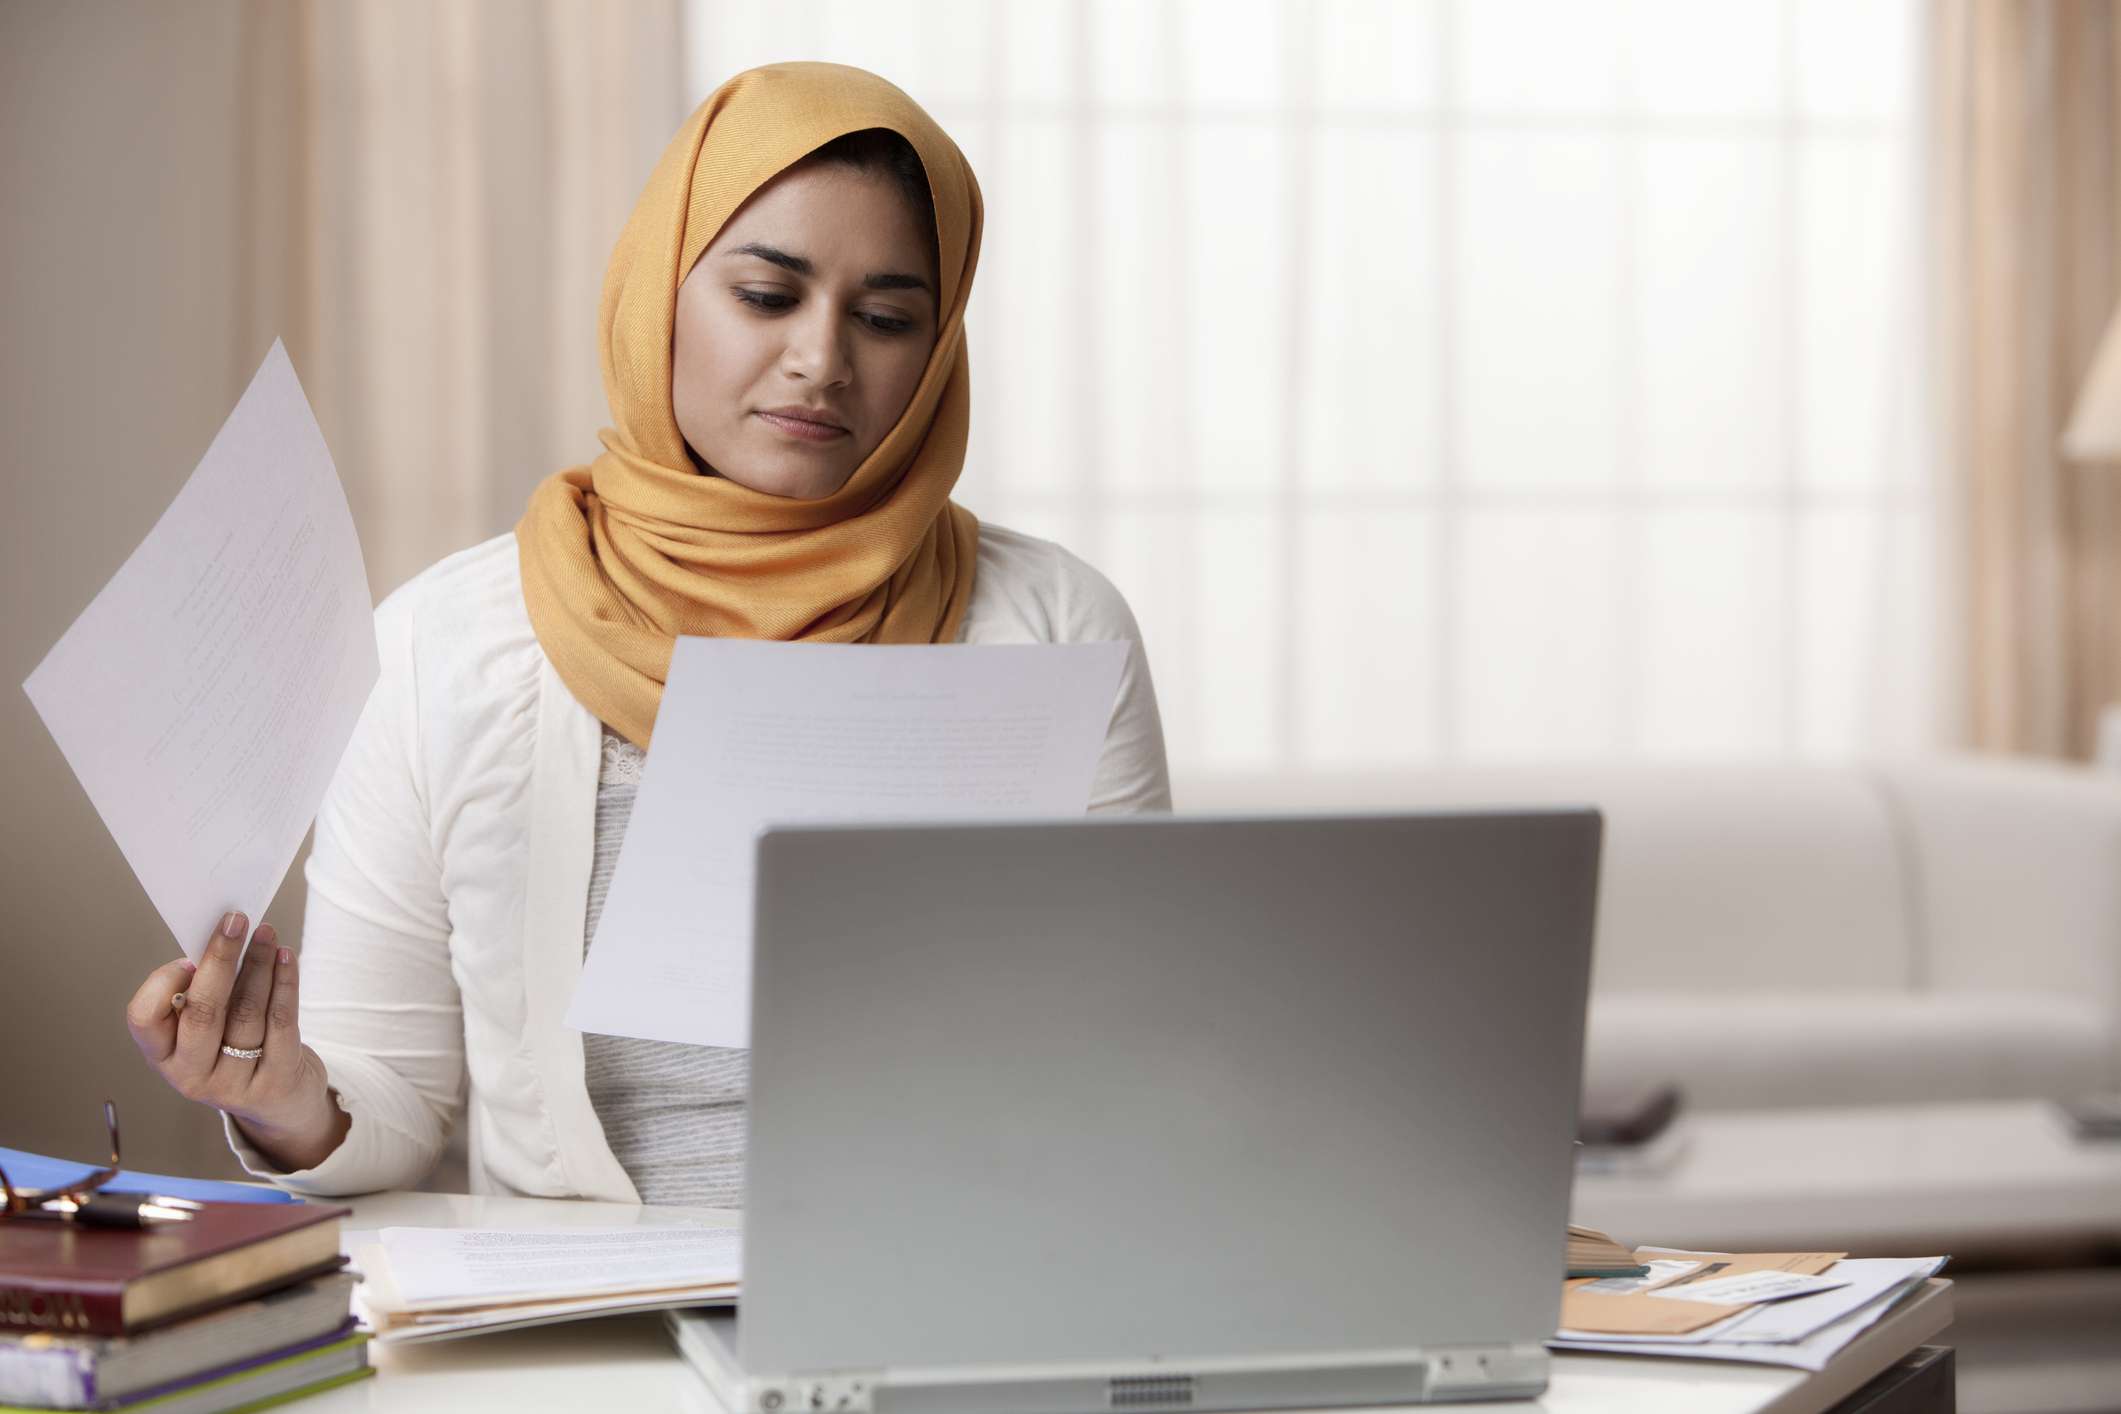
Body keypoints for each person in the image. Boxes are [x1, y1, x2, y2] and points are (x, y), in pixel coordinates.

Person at [121, 63, 1169, 1205]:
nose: (823, 358)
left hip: (947, 1326)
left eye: (886, 317)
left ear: (937, 355)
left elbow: (1132, 1068)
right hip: (587, 1346)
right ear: (658, 291)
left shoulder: (1058, 628)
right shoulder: (446, 644)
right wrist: (280, 1096)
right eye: (768, 296)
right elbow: (395, 1107)